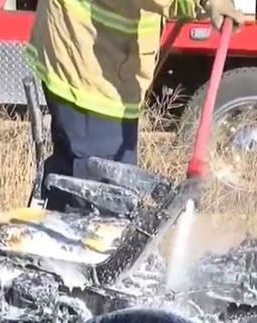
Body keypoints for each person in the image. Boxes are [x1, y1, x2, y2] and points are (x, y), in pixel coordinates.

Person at [25, 0, 245, 211]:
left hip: (94, 63)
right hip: (90, 71)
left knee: (73, 181)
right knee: (102, 199)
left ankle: (50, 238)